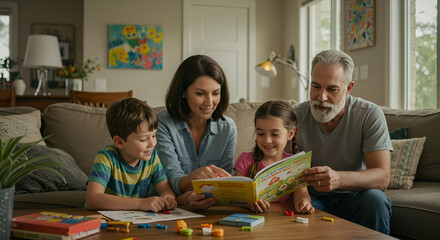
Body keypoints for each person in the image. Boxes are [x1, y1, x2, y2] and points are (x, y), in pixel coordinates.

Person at [295, 50, 393, 234]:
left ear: (348, 88)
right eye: (315, 87)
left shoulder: (369, 114)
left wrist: (338, 179)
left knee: (376, 200)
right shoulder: (295, 115)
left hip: (355, 195)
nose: (321, 97)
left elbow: (382, 177)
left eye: (332, 89)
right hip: (312, 198)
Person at [156, 55, 237, 209]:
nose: (209, 102)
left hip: (212, 211)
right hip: (168, 209)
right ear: (183, 92)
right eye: (200, 93)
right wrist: (185, 193)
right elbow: (170, 176)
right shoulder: (162, 123)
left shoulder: (228, 128)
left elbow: (226, 179)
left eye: (215, 93)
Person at [86, 98, 177, 212]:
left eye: (154, 135)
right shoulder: (106, 158)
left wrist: (168, 198)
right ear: (119, 142)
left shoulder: (152, 157)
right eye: (143, 139)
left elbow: (165, 189)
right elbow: (92, 199)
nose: (152, 143)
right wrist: (141, 203)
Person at [234, 100, 315, 214]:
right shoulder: (245, 160)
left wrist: (303, 202)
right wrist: (248, 203)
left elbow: (302, 194)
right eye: (261, 134)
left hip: (283, 221)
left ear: (290, 134)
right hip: (251, 218)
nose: (267, 140)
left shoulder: (295, 164)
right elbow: (236, 196)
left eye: (275, 134)